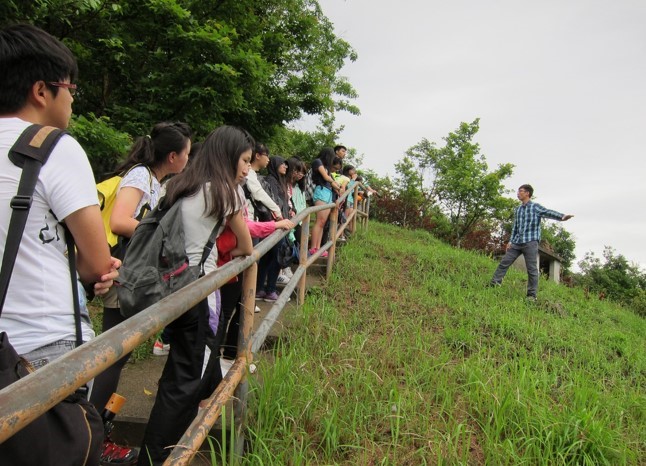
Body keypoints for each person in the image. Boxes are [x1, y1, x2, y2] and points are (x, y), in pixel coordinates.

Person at [0, 23, 120, 463]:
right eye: (70, 87)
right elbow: (96, 262)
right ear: (41, 91)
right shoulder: (54, 147)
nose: (72, 98)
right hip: (41, 344)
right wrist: (101, 269)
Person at [138, 125, 253, 465]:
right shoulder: (227, 192)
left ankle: (167, 447)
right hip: (199, 293)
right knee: (185, 382)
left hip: (171, 289)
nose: (246, 169)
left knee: (191, 368)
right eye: (244, 161)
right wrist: (227, 259)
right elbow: (246, 246)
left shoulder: (181, 184)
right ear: (229, 157)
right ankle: (156, 458)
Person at [90, 122, 191, 415]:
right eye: (186, 152)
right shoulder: (140, 176)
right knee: (114, 354)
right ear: (173, 156)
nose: (188, 159)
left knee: (120, 352)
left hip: (133, 274)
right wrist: (161, 238)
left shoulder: (156, 181)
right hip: (122, 271)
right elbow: (119, 221)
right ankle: (92, 430)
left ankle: (98, 427)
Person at [489, 184, 573, 300]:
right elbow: (515, 227)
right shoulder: (518, 209)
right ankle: (494, 284)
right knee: (504, 262)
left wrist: (562, 216)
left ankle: (531, 295)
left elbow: (548, 212)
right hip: (517, 242)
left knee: (532, 269)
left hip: (530, 242)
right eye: (518, 191)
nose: (518, 193)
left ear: (527, 193)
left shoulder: (535, 207)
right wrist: (511, 241)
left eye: (520, 191)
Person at [256, 156, 290, 302]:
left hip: (277, 223)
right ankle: (269, 290)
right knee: (276, 258)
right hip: (274, 224)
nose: (285, 166)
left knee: (268, 258)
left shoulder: (278, 181)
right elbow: (274, 203)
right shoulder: (271, 180)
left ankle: (260, 290)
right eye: (282, 164)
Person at [309, 148, 342, 257]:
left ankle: (319, 248)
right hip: (321, 191)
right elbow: (325, 177)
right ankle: (313, 247)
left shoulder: (327, 168)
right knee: (319, 221)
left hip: (328, 193)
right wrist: (334, 183)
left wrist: (338, 188)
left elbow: (331, 181)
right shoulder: (318, 162)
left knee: (323, 223)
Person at [246, 142, 282, 222]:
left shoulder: (253, 175)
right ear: (258, 156)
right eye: (267, 156)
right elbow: (258, 193)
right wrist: (276, 210)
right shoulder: (248, 174)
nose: (268, 159)